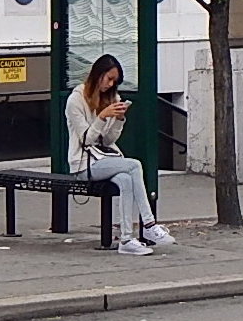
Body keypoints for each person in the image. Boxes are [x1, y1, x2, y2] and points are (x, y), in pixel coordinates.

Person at [66, 54, 174, 255]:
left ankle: (126, 239)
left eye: (114, 81)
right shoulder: (76, 100)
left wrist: (119, 119)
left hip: (105, 158)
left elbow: (108, 141)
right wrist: (101, 116)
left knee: (125, 179)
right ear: (97, 74)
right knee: (133, 165)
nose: (110, 84)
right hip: (83, 164)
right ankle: (149, 225)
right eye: (108, 78)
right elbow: (86, 139)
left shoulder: (111, 98)